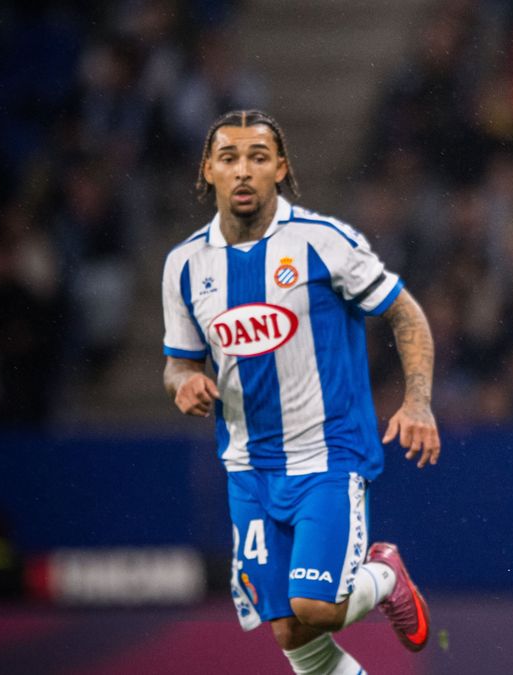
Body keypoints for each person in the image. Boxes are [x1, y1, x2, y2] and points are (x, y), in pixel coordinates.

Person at [162, 109, 439, 674]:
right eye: (230, 158)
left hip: (329, 455)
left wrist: (416, 402)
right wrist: (184, 382)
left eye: (258, 158)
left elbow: (404, 312)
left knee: (317, 606)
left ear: (280, 169)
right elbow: (177, 363)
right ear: (207, 170)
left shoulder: (323, 242)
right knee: (290, 630)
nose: (243, 172)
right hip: (248, 466)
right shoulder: (184, 265)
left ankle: (384, 573)